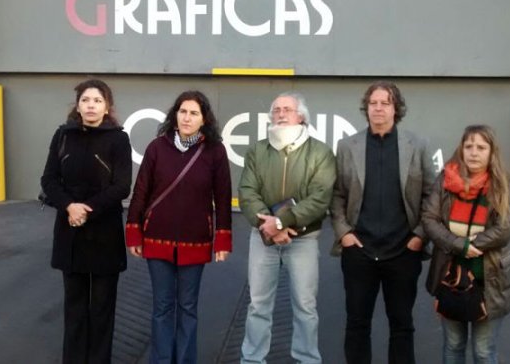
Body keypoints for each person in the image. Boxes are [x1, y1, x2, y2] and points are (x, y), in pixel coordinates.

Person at [330, 81, 436, 364]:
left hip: (403, 251)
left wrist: (419, 236)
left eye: (385, 103)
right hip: (359, 251)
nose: (378, 108)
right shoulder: (347, 146)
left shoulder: (418, 145)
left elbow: (432, 196)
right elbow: (337, 194)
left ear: (396, 108)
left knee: (401, 325)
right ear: (366, 107)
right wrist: (344, 234)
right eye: (373, 103)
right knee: (357, 324)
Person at [125, 90, 232, 364]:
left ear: (203, 118)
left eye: (194, 113)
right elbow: (140, 193)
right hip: (156, 238)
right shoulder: (156, 147)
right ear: (175, 115)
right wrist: (134, 231)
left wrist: (222, 240)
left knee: (187, 308)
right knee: (162, 307)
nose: (187, 118)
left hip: (195, 241)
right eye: (182, 111)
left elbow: (222, 196)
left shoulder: (215, 151)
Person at [238, 92, 336, 364]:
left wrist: (282, 222)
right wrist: (268, 226)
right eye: (276, 110)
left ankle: (307, 359)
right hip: (263, 238)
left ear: (301, 116)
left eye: (287, 109)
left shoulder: (320, 152)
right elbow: (247, 192)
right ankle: (252, 360)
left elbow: (320, 198)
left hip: (303, 239)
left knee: (305, 307)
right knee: (258, 306)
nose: (281, 114)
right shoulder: (258, 150)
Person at [40, 79, 132, 364]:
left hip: (104, 234)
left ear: (107, 107)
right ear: (77, 106)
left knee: (102, 309)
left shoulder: (118, 139)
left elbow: (121, 186)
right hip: (71, 233)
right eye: (85, 100)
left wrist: (87, 209)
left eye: (97, 100)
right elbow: (49, 179)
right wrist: (69, 206)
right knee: (75, 308)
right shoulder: (63, 136)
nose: (91, 105)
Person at [422, 124, 510, 364]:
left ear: (491, 152)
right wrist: (461, 246)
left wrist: (473, 244)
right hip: (450, 276)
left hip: (490, 279)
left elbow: (504, 228)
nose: (474, 152)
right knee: (453, 346)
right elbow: (429, 218)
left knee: (484, 350)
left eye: (481, 147)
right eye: (469, 146)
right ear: (461, 149)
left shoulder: (506, 185)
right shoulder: (445, 180)